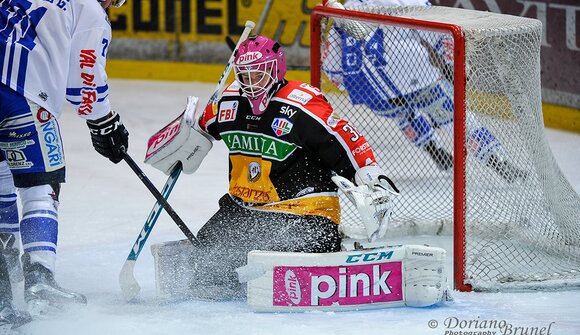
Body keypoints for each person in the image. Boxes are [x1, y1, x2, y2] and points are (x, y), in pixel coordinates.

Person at [145, 35, 398, 299]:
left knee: (279, 256)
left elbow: (342, 136)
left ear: (276, 70)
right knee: (210, 260)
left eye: (259, 75)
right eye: (245, 76)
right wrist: (185, 144)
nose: (252, 83)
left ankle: (323, 249)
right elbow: (203, 128)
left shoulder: (301, 103)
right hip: (245, 208)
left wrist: (368, 171)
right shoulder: (228, 100)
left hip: (305, 210)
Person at [0, 0, 130, 314]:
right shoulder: (89, 8)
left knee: (2, 182)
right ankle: (39, 275)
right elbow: (84, 80)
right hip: (24, 97)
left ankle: (6, 284)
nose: (112, 3)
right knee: (42, 186)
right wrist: (104, 121)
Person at [323, 0, 527, 182]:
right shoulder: (410, 2)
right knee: (456, 118)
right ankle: (497, 160)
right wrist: (449, 66)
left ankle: (433, 148)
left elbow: (331, 65)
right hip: (420, 82)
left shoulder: (346, 10)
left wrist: (350, 86)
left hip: (374, 95)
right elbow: (443, 34)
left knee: (404, 115)